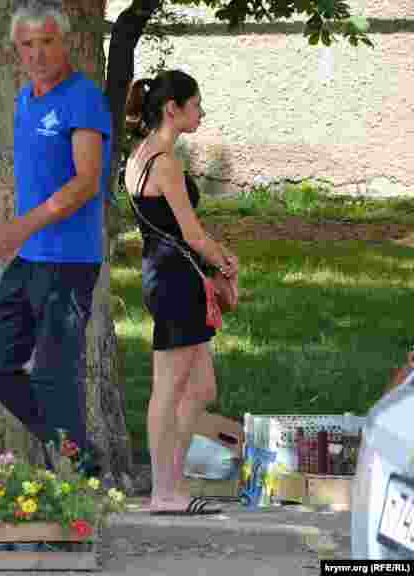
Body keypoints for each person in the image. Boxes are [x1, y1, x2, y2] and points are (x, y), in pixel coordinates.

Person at [0, 0, 112, 468]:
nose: (37, 53)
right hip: (31, 257)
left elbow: (85, 181)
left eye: (47, 42)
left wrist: (18, 228)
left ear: (66, 42)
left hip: (71, 259)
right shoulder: (24, 100)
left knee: (56, 374)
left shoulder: (84, 97)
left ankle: (74, 473)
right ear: (17, 50)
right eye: (27, 45)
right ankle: (75, 453)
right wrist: (13, 232)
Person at [122, 69, 239, 514]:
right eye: (195, 104)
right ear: (173, 108)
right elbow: (191, 233)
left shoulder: (141, 156)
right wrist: (225, 261)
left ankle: (173, 481)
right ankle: (163, 492)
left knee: (202, 387)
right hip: (177, 279)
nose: (201, 112)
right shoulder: (164, 161)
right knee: (169, 389)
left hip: (168, 274)